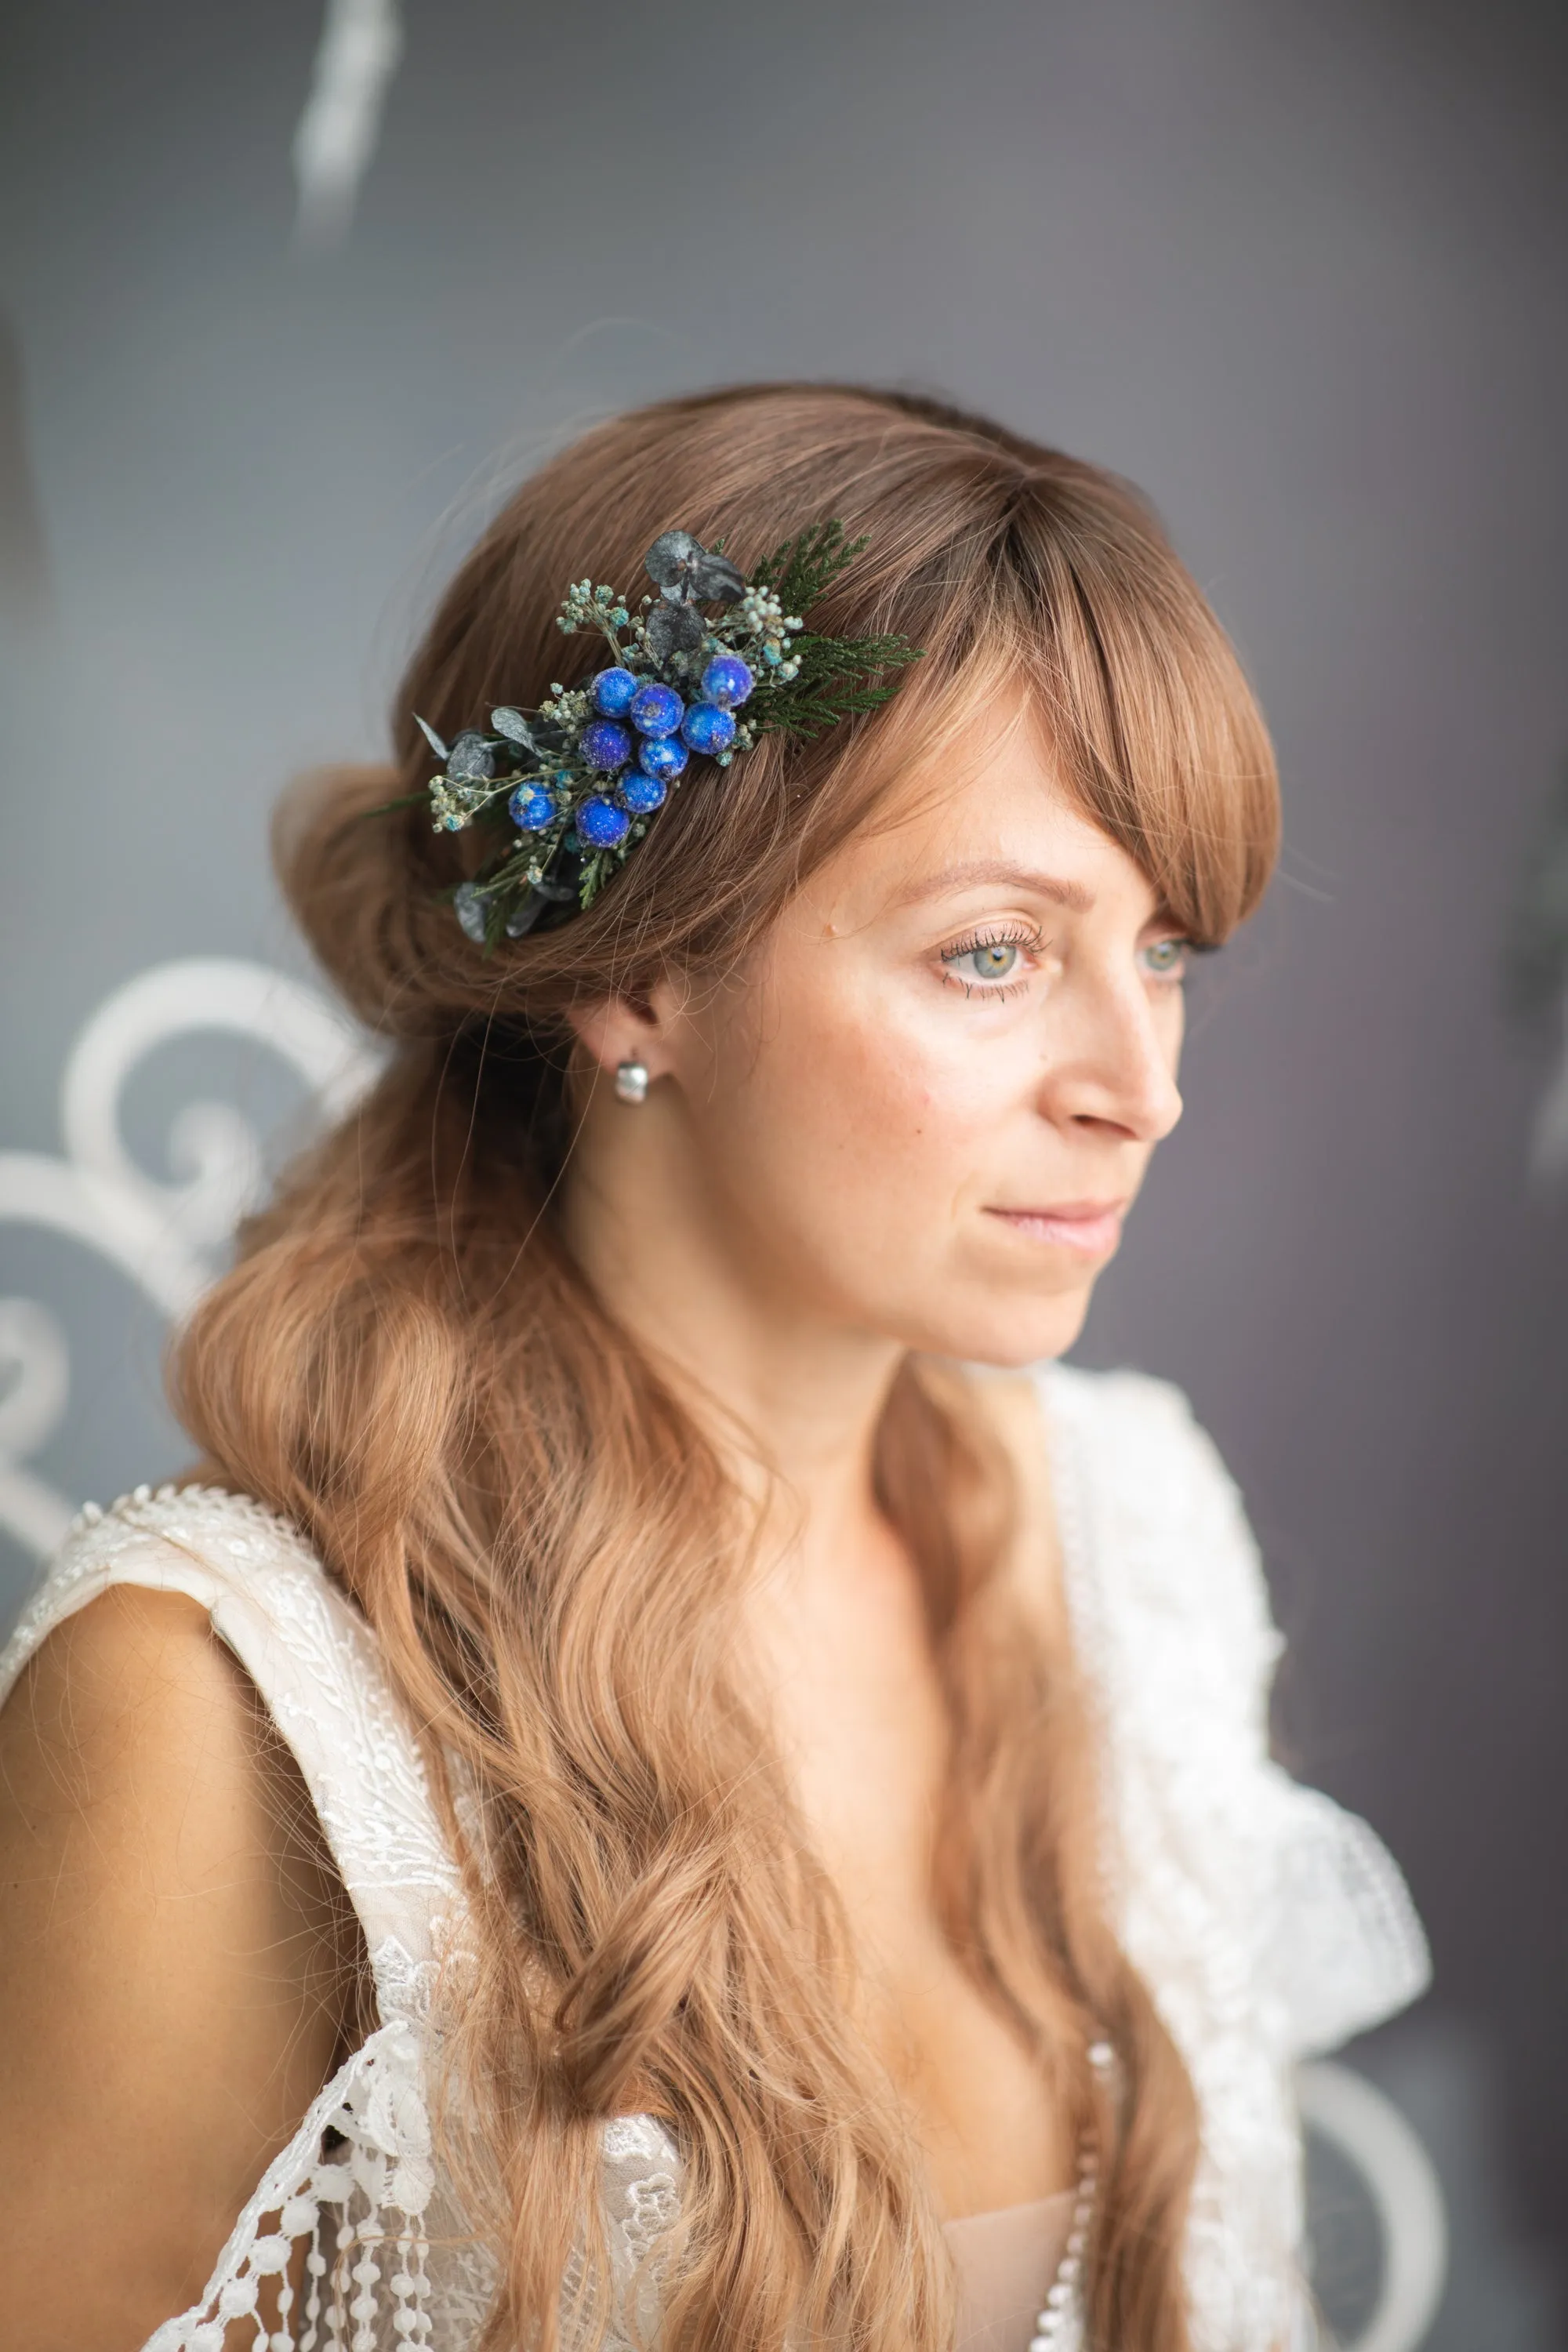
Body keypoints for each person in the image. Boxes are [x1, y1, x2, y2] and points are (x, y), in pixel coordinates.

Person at [0, 384, 1428, 2352]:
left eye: (1161, 948)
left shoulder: (1135, 1537)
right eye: (994, 955)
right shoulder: (220, 1709)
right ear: (640, 971)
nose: (1141, 1088)